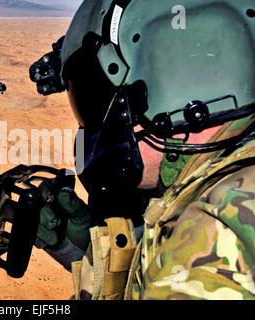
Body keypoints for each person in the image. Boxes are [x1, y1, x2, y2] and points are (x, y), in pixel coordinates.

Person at [32, 0, 254, 300]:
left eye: (99, 106)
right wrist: (90, 260)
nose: (95, 133)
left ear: (177, 87)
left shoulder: (220, 229)